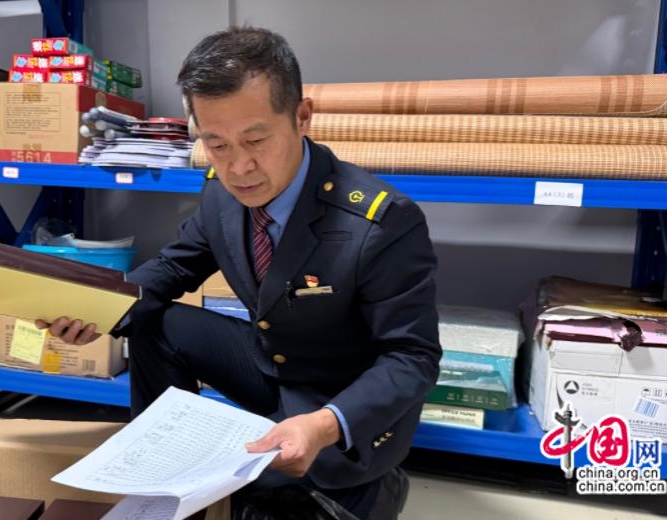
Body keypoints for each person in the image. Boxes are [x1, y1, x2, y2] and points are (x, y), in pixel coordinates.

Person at [40, 26, 441, 520]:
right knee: (154, 320)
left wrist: (323, 425)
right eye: (217, 145)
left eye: (255, 140)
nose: (239, 168)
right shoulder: (222, 193)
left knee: (276, 503)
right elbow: (173, 265)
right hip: (273, 366)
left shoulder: (380, 222)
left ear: (302, 117)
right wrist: (97, 309)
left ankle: (370, 486)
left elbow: (412, 357)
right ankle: (160, 469)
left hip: (337, 403)